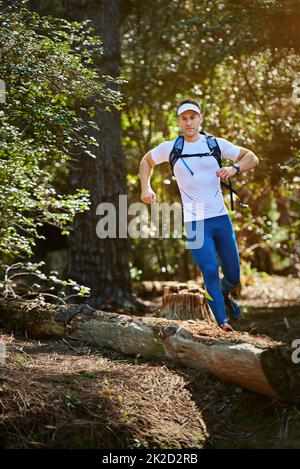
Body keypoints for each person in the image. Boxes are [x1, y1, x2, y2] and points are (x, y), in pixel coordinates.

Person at [139, 98, 259, 332]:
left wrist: (234, 168)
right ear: (179, 122)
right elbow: (146, 161)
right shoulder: (171, 148)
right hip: (194, 222)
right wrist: (146, 187)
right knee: (210, 269)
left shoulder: (215, 144)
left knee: (233, 275)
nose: (189, 122)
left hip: (220, 219)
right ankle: (222, 323)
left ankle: (223, 295)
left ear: (200, 119)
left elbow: (252, 157)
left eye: (193, 117)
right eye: (184, 118)